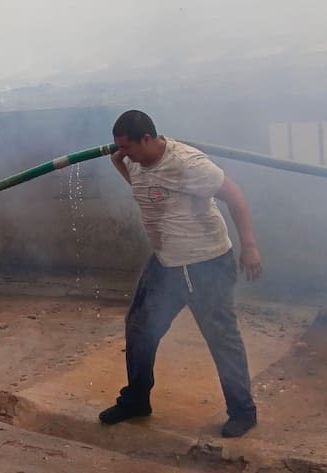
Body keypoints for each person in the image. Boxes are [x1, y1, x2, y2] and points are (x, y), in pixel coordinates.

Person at [98, 110, 263, 439]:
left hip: (206, 263)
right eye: (120, 149)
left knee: (221, 338)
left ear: (147, 138)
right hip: (165, 262)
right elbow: (140, 182)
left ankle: (243, 412)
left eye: (127, 148)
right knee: (139, 328)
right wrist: (121, 160)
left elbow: (235, 196)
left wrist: (250, 246)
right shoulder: (132, 161)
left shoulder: (189, 164)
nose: (123, 154)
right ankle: (136, 400)